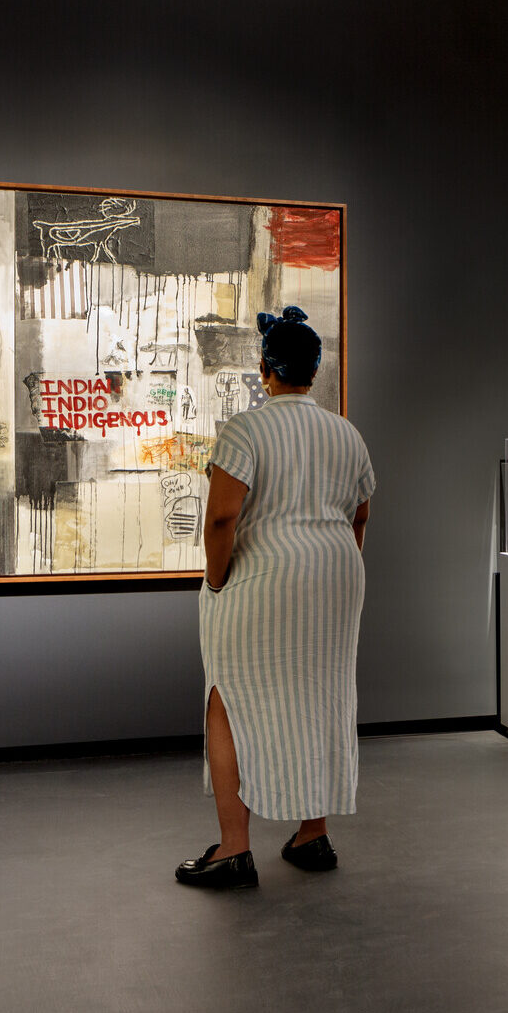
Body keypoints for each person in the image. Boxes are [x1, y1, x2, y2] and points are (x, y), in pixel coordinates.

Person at [175, 307, 376, 889]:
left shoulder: (246, 429)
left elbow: (221, 519)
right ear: (314, 370)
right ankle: (313, 834)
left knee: (228, 696)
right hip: (337, 578)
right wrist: (339, 565)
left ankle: (234, 849)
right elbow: (360, 513)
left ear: (265, 367)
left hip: (262, 577)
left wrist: (216, 580)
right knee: (321, 690)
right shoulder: (347, 432)